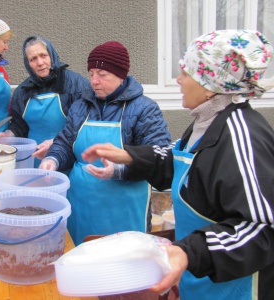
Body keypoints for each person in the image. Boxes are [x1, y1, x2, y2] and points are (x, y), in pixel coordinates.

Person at [82, 30, 274, 300]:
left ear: (209, 85)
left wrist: (188, 252)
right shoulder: (206, 123)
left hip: (234, 290)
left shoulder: (242, 137)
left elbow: (262, 230)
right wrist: (130, 157)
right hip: (199, 281)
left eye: (186, 72)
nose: (178, 79)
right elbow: (179, 161)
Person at [39, 41, 171, 245]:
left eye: (102, 74)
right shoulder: (80, 106)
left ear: (120, 75)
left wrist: (119, 170)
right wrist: (53, 159)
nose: (94, 81)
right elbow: (65, 142)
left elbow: (158, 158)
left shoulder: (144, 109)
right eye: (91, 73)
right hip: (81, 205)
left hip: (123, 210)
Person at [0, 35, 91, 167]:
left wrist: (56, 143)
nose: (40, 62)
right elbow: (19, 127)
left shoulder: (76, 85)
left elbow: (83, 127)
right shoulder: (21, 92)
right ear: (27, 64)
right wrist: (8, 135)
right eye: (33, 59)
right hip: (34, 163)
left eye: (43, 55)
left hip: (69, 162)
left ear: (52, 55)